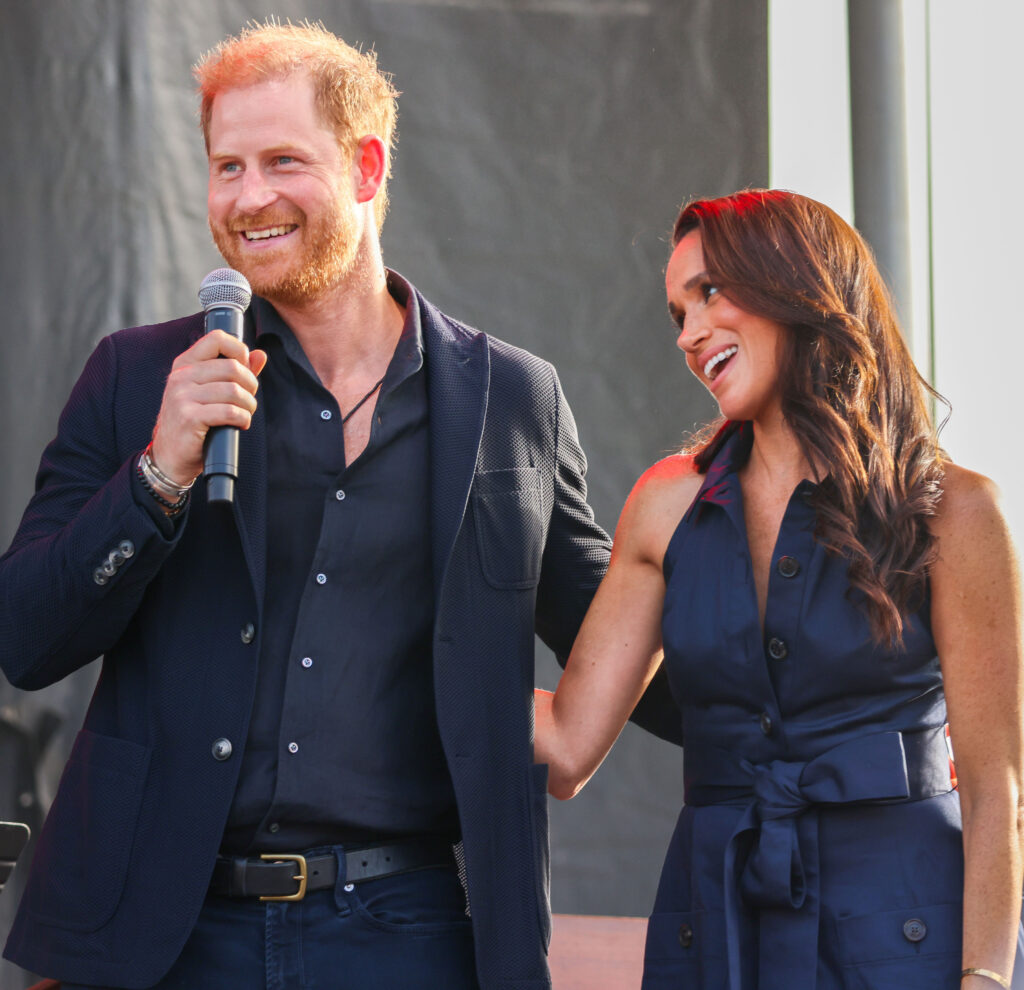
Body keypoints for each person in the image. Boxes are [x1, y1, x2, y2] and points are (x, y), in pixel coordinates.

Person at [0, 22, 679, 990]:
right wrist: (156, 474)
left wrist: (850, 693)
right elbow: (25, 635)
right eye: (226, 167)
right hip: (165, 934)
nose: (249, 198)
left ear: (366, 166)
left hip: (405, 932)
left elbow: (615, 637)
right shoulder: (137, 377)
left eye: (282, 161)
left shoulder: (510, 401)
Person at [534, 188, 1024, 990]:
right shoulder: (665, 505)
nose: (690, 336)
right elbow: (563, 748)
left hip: (904, 932)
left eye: (711, 293)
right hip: (716, 929)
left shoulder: (956, 513)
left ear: (800, 288)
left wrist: (986, 979)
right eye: (676, 314)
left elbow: (997, 787)